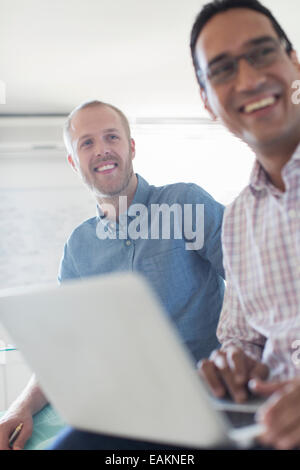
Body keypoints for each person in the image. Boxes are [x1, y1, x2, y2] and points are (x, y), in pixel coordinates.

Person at [0, 100, 225, 450]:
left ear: (131, 146)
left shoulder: (185, 204)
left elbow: (254, 283)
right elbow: (63, 348)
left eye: (111, 137)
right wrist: (20, 406)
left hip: (205, 400)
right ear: (74, 162)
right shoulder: (78, 247)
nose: (102, 150)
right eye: (86, 143)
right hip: (124, 410)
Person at [189, 0, 300, 450]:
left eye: (261, 54)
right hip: (262, 424)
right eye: (222, 70)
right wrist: (235, 360)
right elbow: (241, 336)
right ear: (207, 101)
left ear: (294, 62)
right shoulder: (236, 219)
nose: (250, 80)